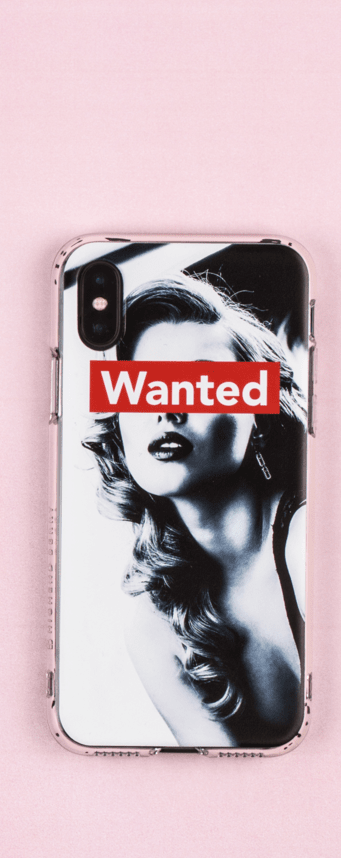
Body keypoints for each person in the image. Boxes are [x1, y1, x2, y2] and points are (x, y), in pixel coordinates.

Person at [83, 275, 307, 747]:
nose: (167, 409)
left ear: (260, 415)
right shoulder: (153, 622)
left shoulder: (312, 537)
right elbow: (219, 781)